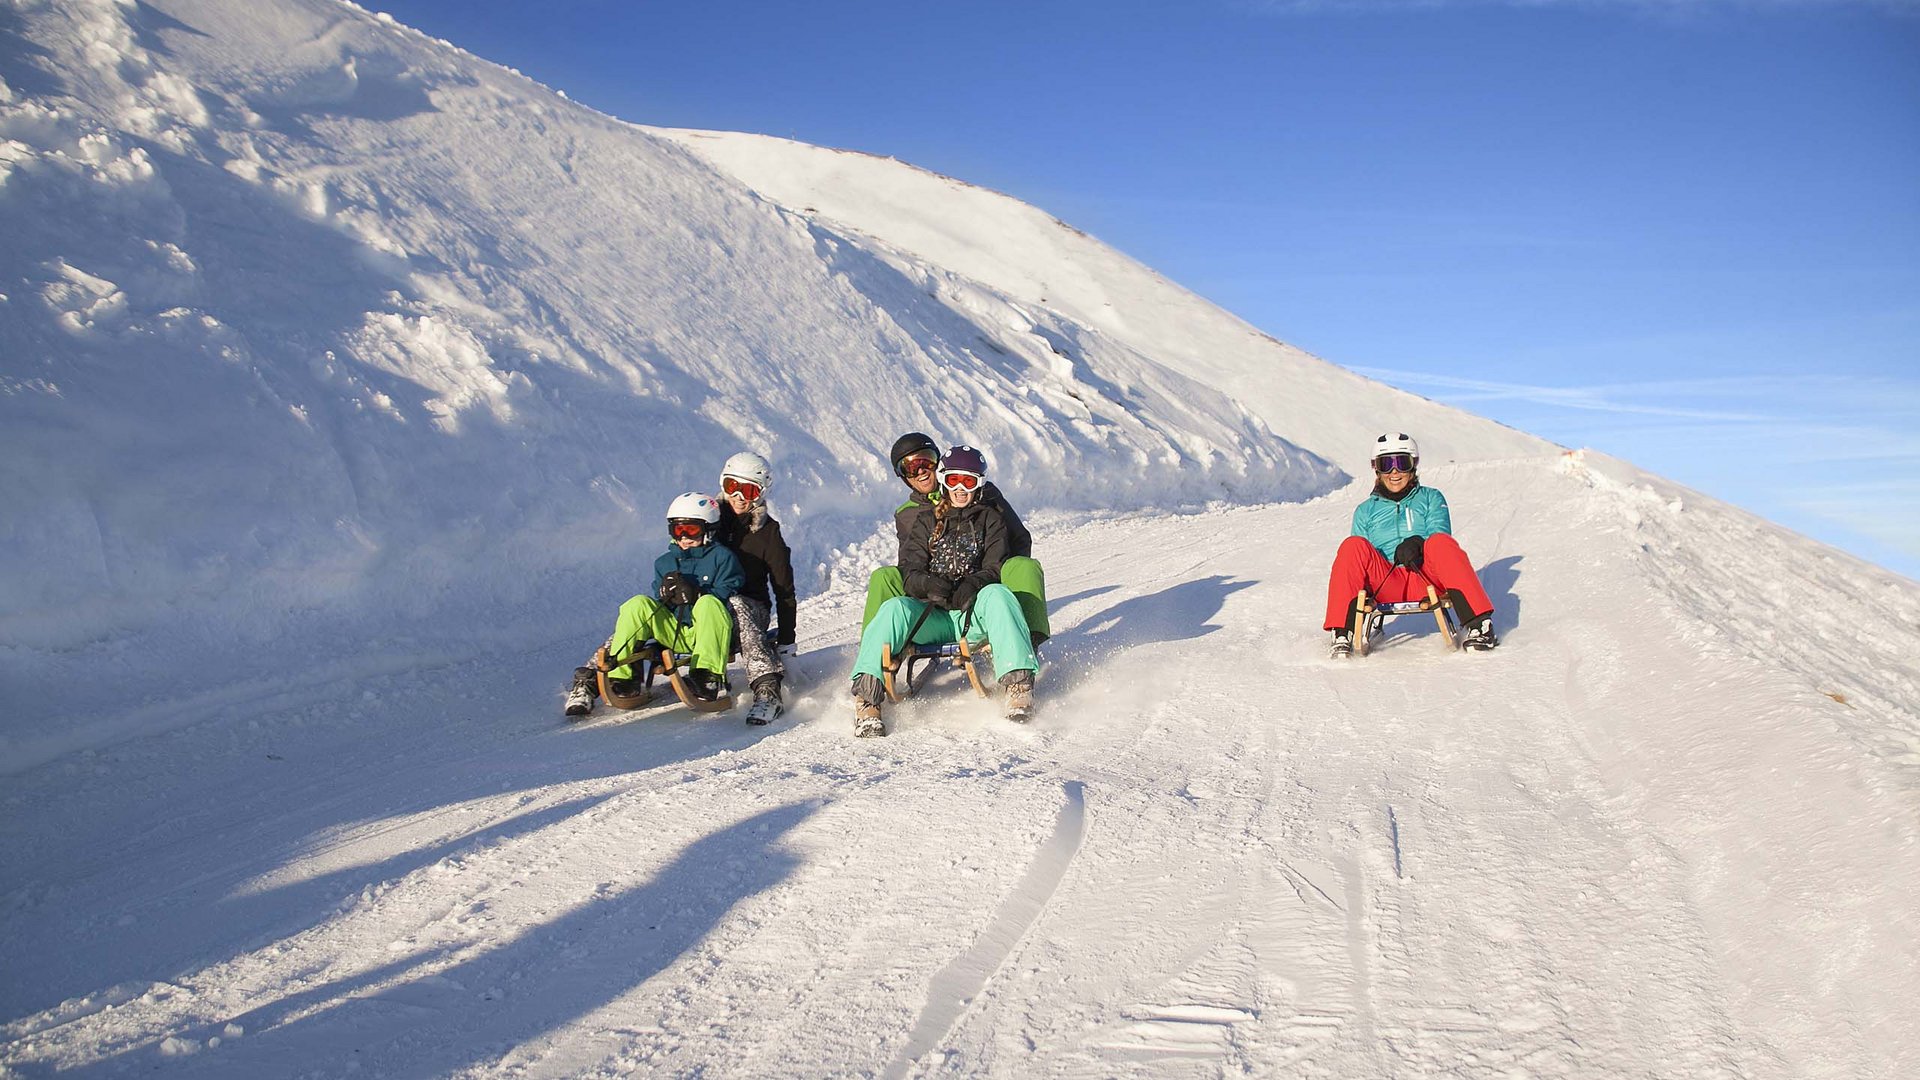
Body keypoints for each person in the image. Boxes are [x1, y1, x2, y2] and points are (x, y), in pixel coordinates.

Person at [851, 446, 1039, 734]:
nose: (961, 489)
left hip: (972, 617)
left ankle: (1018, 686)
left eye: (969, 481)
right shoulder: (926, 521)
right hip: (933, 617)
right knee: (894, 608)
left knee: (999, 595)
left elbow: (994, 567)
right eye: (953, 481)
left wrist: (973, 584)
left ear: (979, 484)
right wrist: (927, 584)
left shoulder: (991, 520)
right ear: (944, 481)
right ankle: (867, 700)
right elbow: (910, 571)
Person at [565, 493, 744, 716]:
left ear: (708, 529)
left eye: (692, 529)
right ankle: (624, 677)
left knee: (709, 603)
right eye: (679, 530)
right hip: (673, 632)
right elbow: (660, 604)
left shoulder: (722, 558)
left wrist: (697, 593)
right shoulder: (664, 562)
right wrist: (666, 595)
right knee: (637, 604)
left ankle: (706, 677)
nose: (685, 537)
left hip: (707, 631)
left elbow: (729, 590)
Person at [861, 432, 1049, 645]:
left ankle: (1026, 638)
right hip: (935, 591)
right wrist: (927, 586)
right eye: (910, 467)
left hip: (984, 581)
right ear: (903, 476)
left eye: (925, 460)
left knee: (1024, 566)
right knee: (883, 577)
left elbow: (1019, 538)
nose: (920, 471)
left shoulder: (977, 490)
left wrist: (996, 580)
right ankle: (875, 650)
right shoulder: (907, 513)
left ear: (937, 461)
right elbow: (909, 561)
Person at [1325, 433, 1498, 657]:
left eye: (1401, 463)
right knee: (1352, 546)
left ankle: (1480, 625)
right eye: (1386, 464)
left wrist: (1418, 543)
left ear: (1413, 465)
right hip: (1386, 582)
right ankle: (1342, 632)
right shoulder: (1365, 511)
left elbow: (1440, 531)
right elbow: (1356, 564)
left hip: (1426, 577)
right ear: (1376, 469)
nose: (1394, 472)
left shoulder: (1431, 498)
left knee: (1441, 543)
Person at [714, 451, 797, 725]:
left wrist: (786, 639)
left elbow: (784, 587)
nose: (739, 496)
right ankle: (598, 674)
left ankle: (767, 690)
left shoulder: (768, 532)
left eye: (748, 489)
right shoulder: (708, 520)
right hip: (711, 609)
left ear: (761, 493)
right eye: (732, 487)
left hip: (752, 609)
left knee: (737, 603)